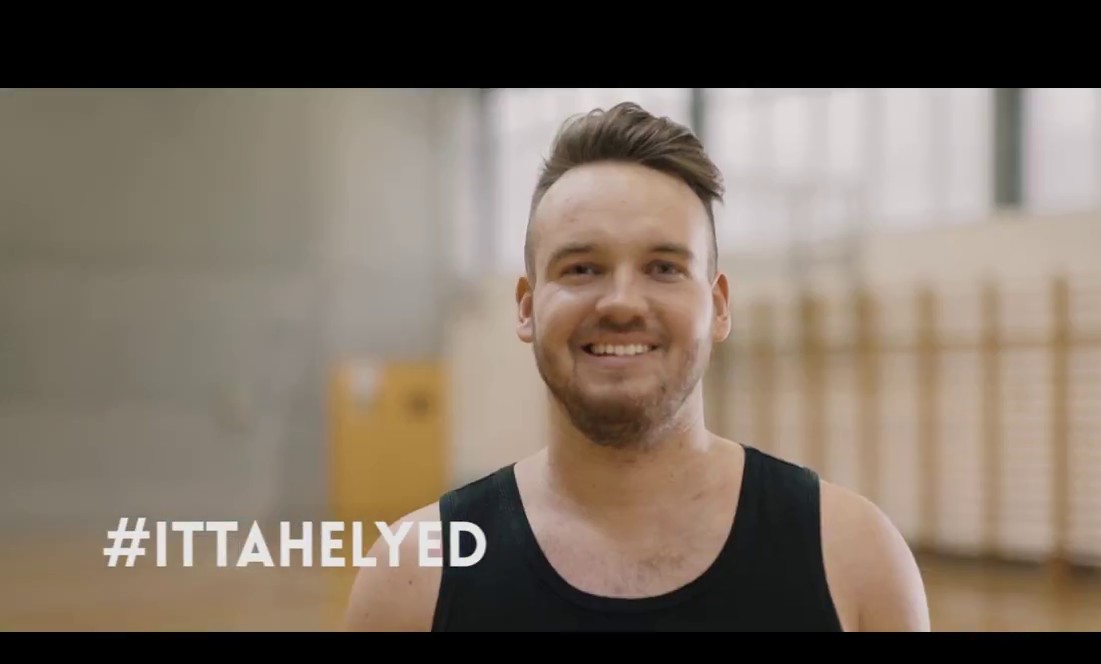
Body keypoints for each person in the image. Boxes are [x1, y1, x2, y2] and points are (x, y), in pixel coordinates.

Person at [343, 100, 929, 632]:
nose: (622, 303)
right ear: (526, 307)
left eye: (664, 268)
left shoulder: (854, 558)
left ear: (719, 307)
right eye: (582, 268)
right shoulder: (414, 574)